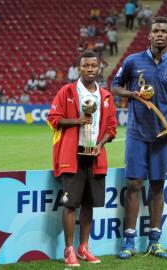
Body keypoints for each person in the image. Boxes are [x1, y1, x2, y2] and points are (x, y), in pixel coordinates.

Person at [111, 16, 167, 259]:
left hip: (163, 137)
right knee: (133, 185)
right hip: (136, 133)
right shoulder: (133, 61)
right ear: (149, 35)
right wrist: (133, 94)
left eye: (164, 31)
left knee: (157, 187)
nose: (160, 34)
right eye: (156, 30)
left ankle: (154, 240)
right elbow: (114, 86)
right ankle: (129, 241)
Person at [47, 50, 118, 267]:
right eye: (85, 66)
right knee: (70, 205)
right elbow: (53, 119)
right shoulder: (67, 91)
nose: (89, 69)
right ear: (79, 68)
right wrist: (78, 120)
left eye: (93, 66)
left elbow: (111, 128)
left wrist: (101, 144)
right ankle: (69, 250)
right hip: (72, 157)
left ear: (99, 68)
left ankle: (84, 247)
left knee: (89, 205)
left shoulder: (105, 96)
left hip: (95, 157)